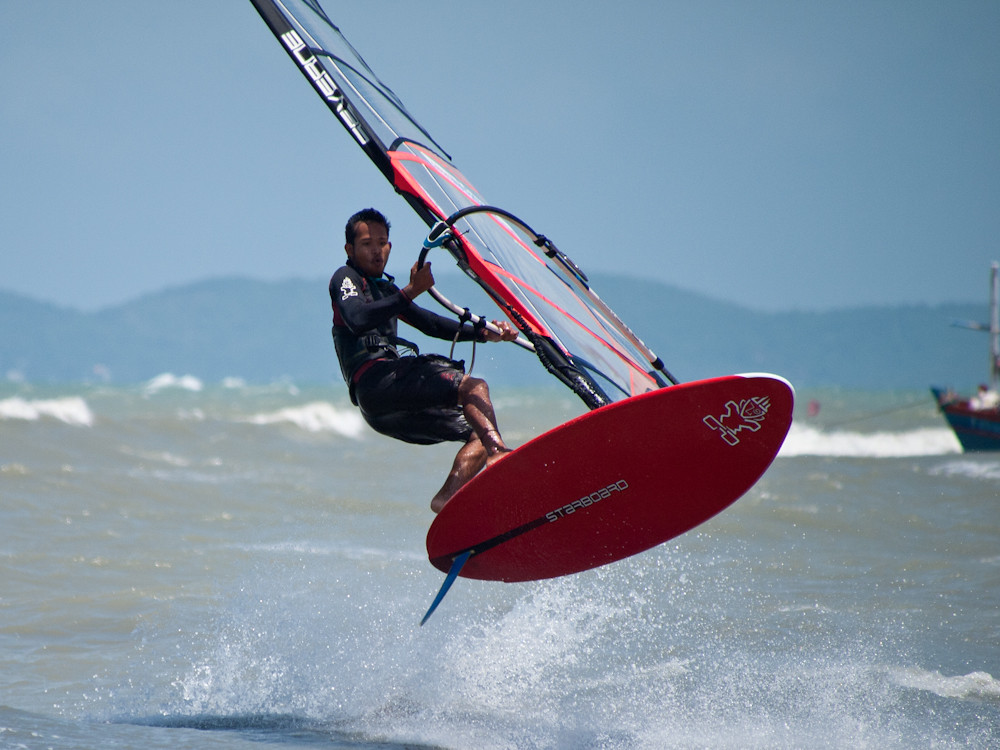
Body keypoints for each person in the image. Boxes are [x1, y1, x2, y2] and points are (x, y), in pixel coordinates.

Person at [330, 208, 518, 513]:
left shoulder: (386, 289)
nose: (376, 251)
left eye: (382, 243)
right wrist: (410, 292)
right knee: (474, 387)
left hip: (383, 412)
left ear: (390, 246)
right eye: (366, 244)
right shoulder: (346, 278)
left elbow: (430, 323)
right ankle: (501, 455)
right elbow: (357, 318)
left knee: (478, 431)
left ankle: (446, 500)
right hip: (376, 383)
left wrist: (485, 333)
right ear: (349, 250)